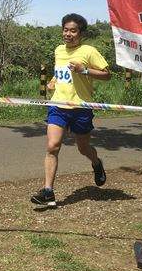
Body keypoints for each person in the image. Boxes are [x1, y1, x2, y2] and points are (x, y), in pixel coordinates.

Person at [31, 13, 110, 207]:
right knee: (53, 146)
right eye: (65, 30)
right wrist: (53, 81)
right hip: (58, 106)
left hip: (81, 107)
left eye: (73, 31)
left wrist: (84, 70)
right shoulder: (59, 50)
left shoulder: (88, 51)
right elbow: (60, 72)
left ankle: (96, 163)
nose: (68, 34)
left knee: (83, 148)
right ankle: (48, 191)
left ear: (80, 33)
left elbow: (107, 75)